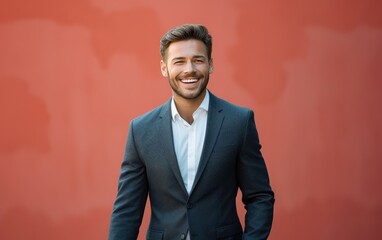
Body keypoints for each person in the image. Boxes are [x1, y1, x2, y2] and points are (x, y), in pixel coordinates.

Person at [109, 24, 274, 240]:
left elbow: (260, 196)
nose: (190, 69)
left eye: (198, 60)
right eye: (179, 61)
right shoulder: (141, 131)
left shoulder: (239, 122)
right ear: (164, 68)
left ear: (210, 64)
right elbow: (126, 212)